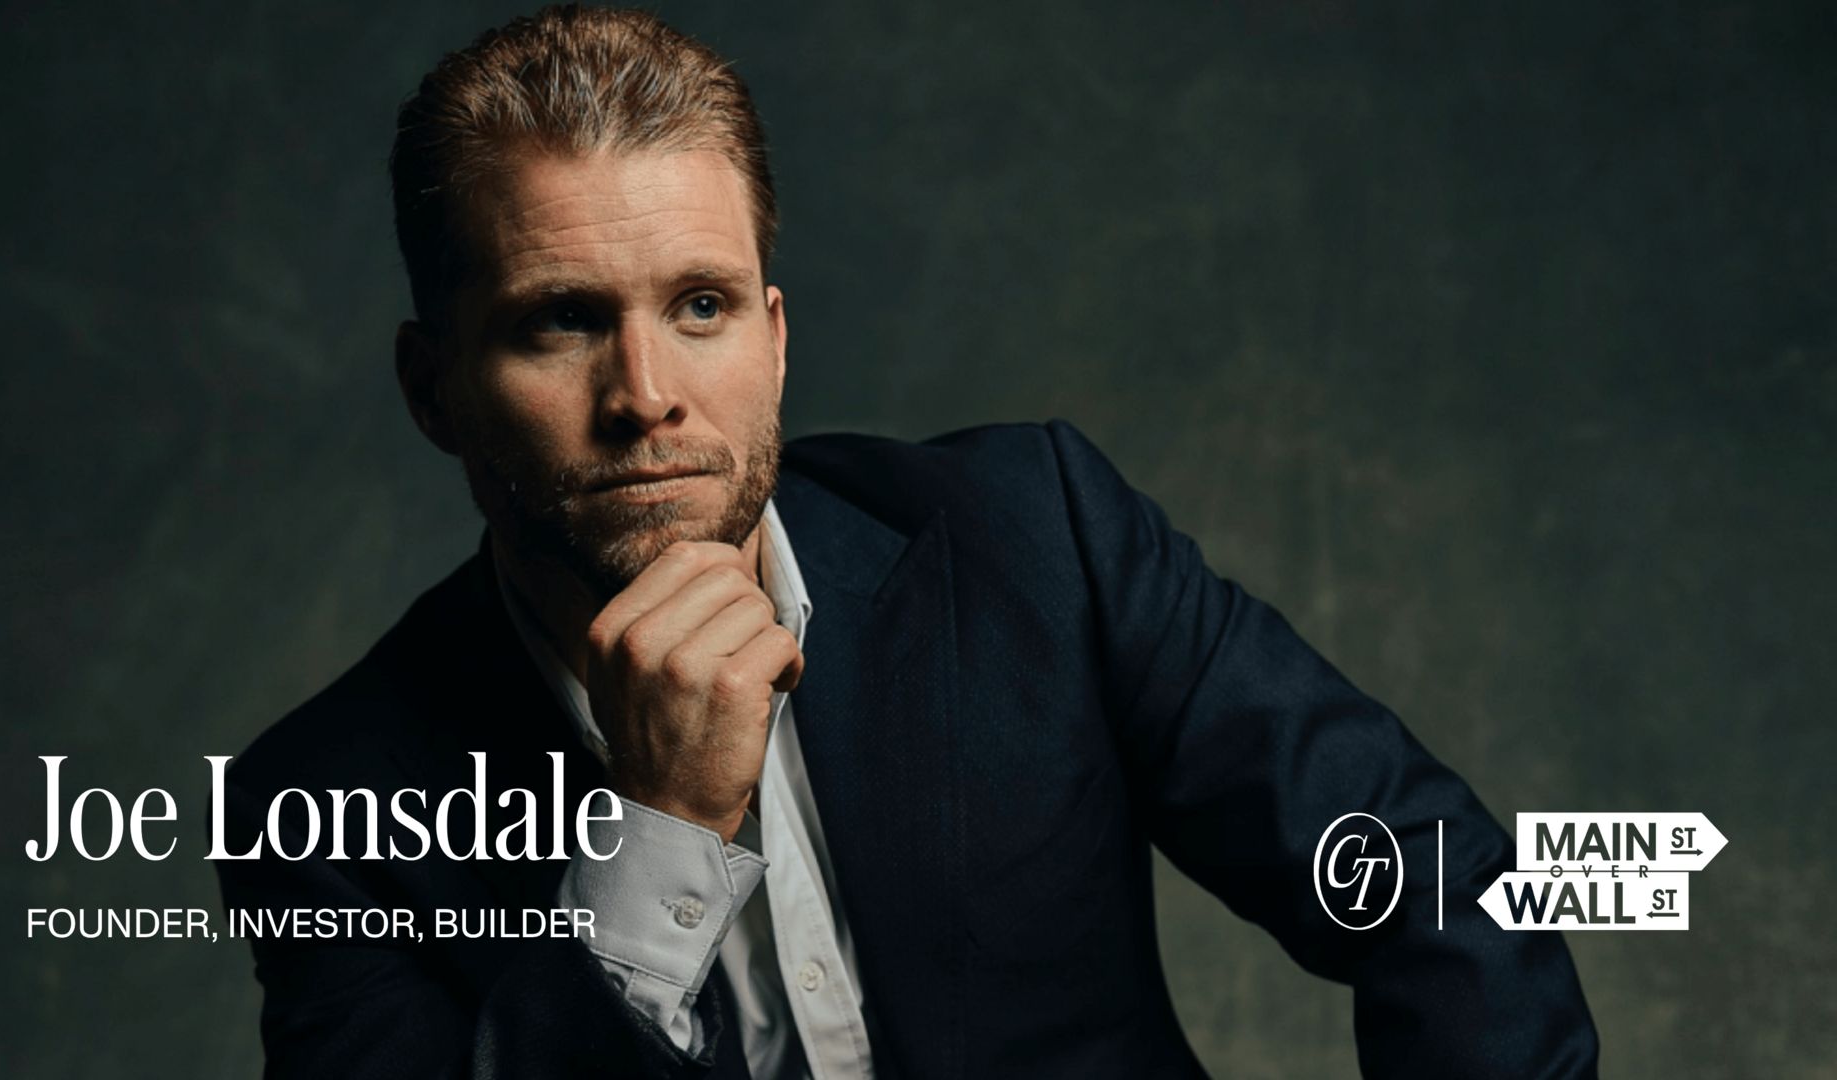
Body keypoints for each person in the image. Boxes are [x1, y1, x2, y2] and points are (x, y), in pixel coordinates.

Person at [213, 6, 1601, 1077]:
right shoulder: (329, 803)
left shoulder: (1034, 543)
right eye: (559, 320)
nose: (645, 395)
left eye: (699, 305)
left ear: (774, 335)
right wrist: (656, 837)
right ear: (431, 388)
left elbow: (1433, 882)